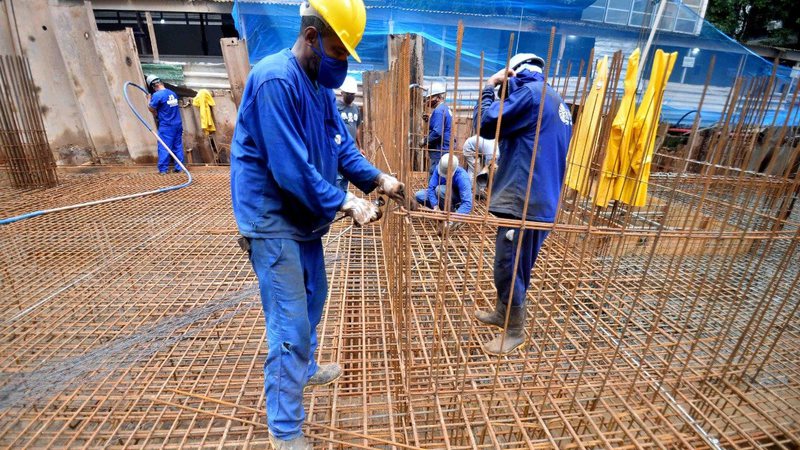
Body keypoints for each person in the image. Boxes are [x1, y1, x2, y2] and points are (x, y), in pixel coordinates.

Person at [228, 1, 405, 448]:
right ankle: (284, 430)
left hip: (304, 216)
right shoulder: (275, 79)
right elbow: (289, 168)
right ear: (310, 37)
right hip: (272, 218)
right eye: (337, 51)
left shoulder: (317, 87)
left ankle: (303, 372)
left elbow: (341, 148)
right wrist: (346, 201)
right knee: (290, 328)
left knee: (314, 294)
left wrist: (377, 178)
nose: (341, 62)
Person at [472, 53, 573, 355]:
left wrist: (489, 88)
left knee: (510, 263)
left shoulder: (529, 93)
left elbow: (486, 124)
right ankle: (504, 313)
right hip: (539, 197)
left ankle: (515, 330)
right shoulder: (556, 100)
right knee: (514, 262)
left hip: (525, 197)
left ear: (513, 76)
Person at [147, 75, 185, 174]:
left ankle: (163, 170)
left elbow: (151, 108)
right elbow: (163, 109)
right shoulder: (172, 93)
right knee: (177, 146)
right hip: (178, 124)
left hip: (167, 126)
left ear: (153, 86)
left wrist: (148, 99)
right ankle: (179, 168)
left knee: (164, 147)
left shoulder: (157, 95)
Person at [335, 75, 363, 191]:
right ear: (342, 93)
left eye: (352, 94)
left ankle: (342, 198)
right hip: (337, 148)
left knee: (346, 175)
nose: (351, 96)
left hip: (350, 148)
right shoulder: (334, 106)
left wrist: (359, 147)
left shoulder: (356, 109)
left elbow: (357, 128)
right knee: (337, 177)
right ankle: (336, 201)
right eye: (348, 94)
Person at [420, 82, 452, 174]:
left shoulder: (438, 111)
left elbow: (437, 132)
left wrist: (425, 141)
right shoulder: (445, 108)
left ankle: (432, 189)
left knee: (436, 173)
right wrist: (431, 118)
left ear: (438, 98)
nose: (428, 100)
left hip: (439, 149)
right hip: (445, 147)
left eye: (430, 97)